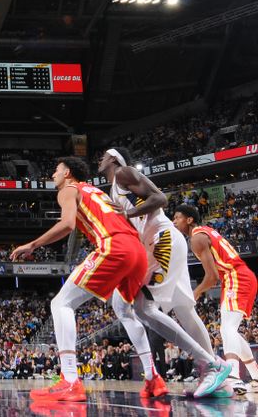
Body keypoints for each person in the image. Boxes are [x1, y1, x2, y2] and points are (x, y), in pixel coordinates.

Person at [11, 157, 149, 402]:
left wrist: (32, 244)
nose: (53, 174)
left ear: (67, 173)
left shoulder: (68, 189)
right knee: (125, 311)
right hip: (136, 249)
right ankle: (153, 378)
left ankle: (70, 380)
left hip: (114, 246)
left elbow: (67, 225)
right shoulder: (96, 191)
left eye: (56, 170)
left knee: (60, 304)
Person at [99, 148, 232, 398]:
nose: (100, 160)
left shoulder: (123, 173)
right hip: (162, 242)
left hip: (163, 241)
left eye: (104, 155)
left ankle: (212, 365)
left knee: (143, 308)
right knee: (185, 311)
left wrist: (126, 213)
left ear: (114, 158)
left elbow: (160, 199)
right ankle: (219, 380)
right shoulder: (114, 190)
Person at [173, 204, 258, 394]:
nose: (174, 221)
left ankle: (234, 377)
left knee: (227, 328)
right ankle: (255, 375)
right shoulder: (206, 232)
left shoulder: (196, 238)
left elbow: (212, 278)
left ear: (189, 220)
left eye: (177, 217)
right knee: (231, 331)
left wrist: (195, 293)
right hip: (238, 276)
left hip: (236, 276)